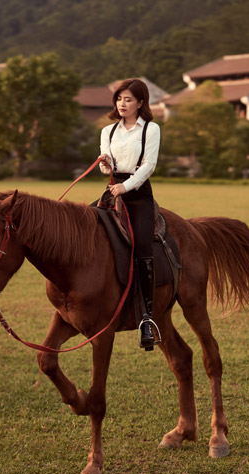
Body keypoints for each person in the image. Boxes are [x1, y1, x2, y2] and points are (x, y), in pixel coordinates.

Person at [99, 78, 160, 350]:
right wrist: (105, 164)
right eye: (119, 99)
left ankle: (147, 317)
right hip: (112, 191)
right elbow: (105, 166)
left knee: (142, 247)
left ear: (140, 103)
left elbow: (149, 165)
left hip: (138, 194)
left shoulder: (150, 129)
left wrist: (126, 185)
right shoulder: (108, 131)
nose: (122, 104)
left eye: (128, 100)